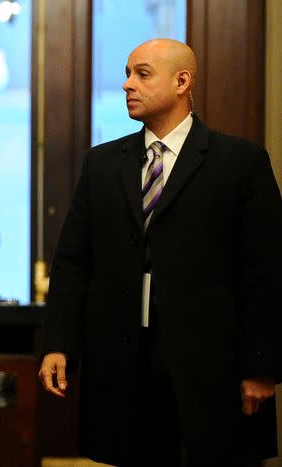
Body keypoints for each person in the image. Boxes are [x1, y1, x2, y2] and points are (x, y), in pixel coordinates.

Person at [38, 38, 282, 466]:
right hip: (123, 360)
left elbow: (267, 270)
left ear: (182, 81)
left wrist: (260, 365)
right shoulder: (102, 164)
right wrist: (59, 343)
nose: (127, 84)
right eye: (128, 73)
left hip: (211, 365)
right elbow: (73, 262)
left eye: (142, 74)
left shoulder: (240, 163)